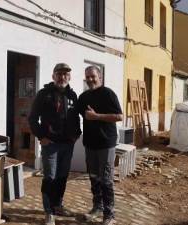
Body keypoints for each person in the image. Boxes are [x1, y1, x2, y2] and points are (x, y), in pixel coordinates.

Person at [28, 63, 81, 225]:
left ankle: (58, 205)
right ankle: (49, 212)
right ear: (53, 76)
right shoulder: (44, 94)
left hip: (67, 144)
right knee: (50, 177)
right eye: (59, 74)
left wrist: (76, 135)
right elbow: (32, 118)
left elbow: (76, 118)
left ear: (69, 77)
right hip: (50, 144)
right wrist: (41, 137)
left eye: (65, 74)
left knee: (62, 176)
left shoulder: (73, 95)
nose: (62, 77)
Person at [76, 66, 123, 225]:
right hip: (90, 144)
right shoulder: (83, 97)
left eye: (93, 76)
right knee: (94, 178)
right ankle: (97, 207)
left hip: (106, 144)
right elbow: (72, 112)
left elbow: (119, 116)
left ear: (100, 77)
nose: (90, 79)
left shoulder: (108, 94)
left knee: (106, 180)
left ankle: (109, 214)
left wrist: (97, 116)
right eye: (87, 77)